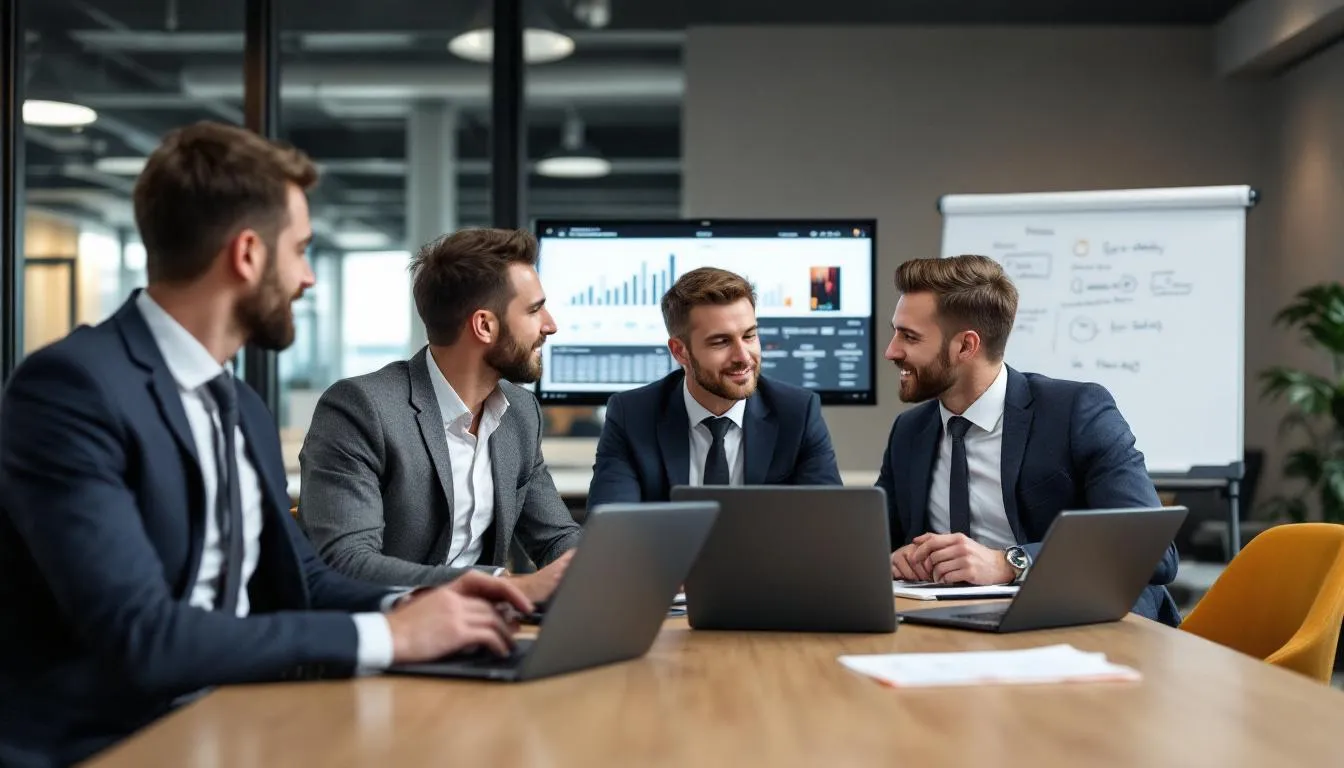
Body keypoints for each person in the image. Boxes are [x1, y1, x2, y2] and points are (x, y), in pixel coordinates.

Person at [0, 122, 531, 768]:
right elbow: (143, 636)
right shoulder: (73, 389)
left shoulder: (239, 405)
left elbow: (299, 578)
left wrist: (427, 602)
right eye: (301, 250)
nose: (309, 277)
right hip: (105, 744)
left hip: (235, 720)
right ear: (247, 255)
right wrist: (387, 635)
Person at [876, 254, 1180, 626]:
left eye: (909, 337)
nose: (891, 351)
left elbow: (1154, 552)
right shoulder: (910, 432)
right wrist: (893, 557)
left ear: (965, 346)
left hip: (1082, 625)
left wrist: (1009, 562)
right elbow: (875, 542)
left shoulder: (1075, 412)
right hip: (946, 627)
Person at [298, 228, 580, 602]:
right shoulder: (360, 409)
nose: (550, 324)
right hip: (388, 637)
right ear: (484, 326)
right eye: (533, 310)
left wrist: (619, 568)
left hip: (483, 634)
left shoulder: (521, 414)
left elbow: (556, 537)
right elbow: (346, 562)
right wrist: (504, 585)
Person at [588, 267, 841, 508]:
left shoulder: (797, 412)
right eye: (721, 342)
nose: (743, 356)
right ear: (680, 351)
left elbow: (830, 526)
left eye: (749, 336)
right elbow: (611, 530)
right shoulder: (632, 415)